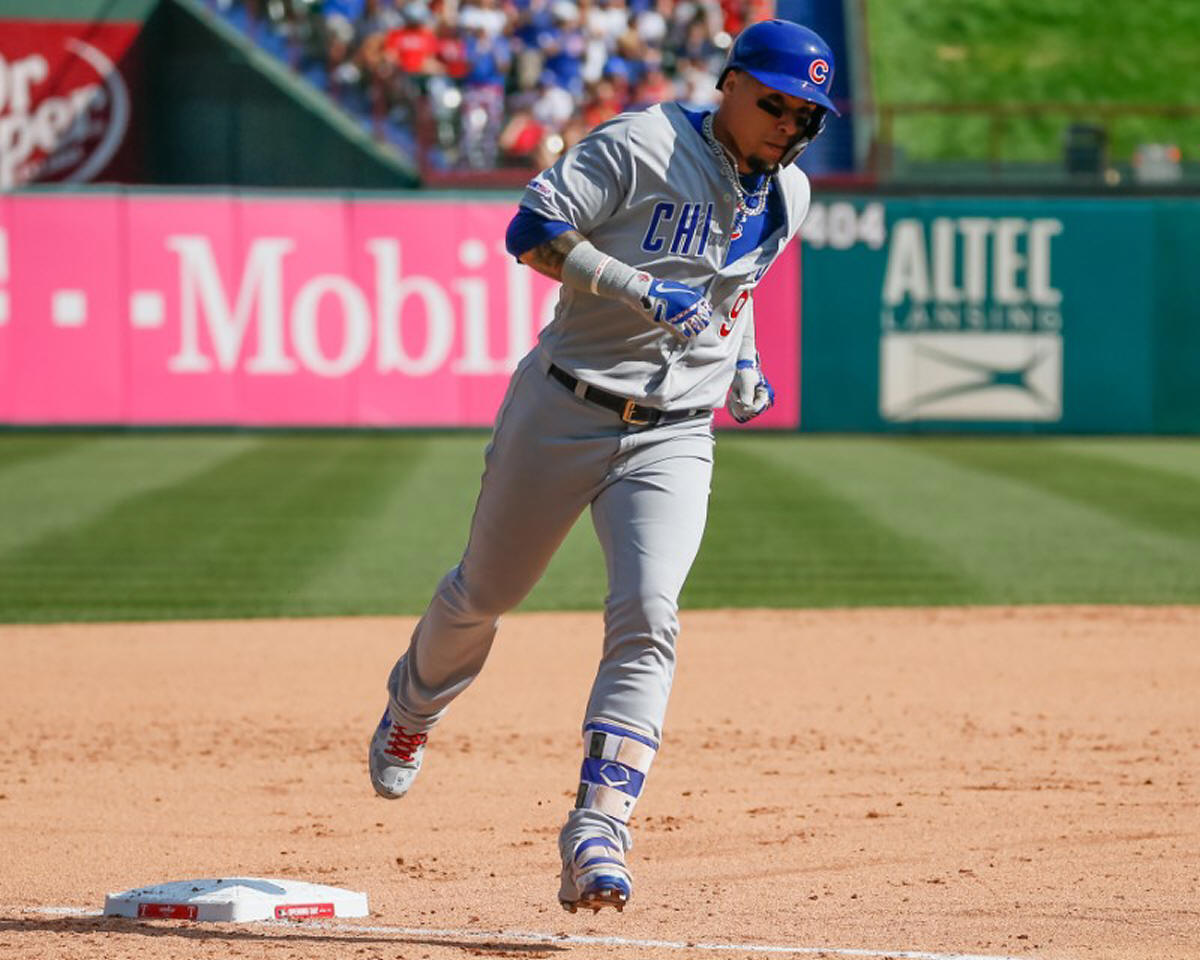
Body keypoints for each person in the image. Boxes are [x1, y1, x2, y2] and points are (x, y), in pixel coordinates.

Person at [369, 18, 839, 914]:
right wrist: (634, 285)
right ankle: (413, 709)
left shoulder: (790, 194)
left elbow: (735, 289)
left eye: (805, 114)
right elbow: (530, 232)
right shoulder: (640, 144)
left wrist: (743, 363)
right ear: (730, 85)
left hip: (677, 432)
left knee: (650, 613)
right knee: (484, 593)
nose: (788, 124)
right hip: (565, 406)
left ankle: (598, 826)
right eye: (774, 103)